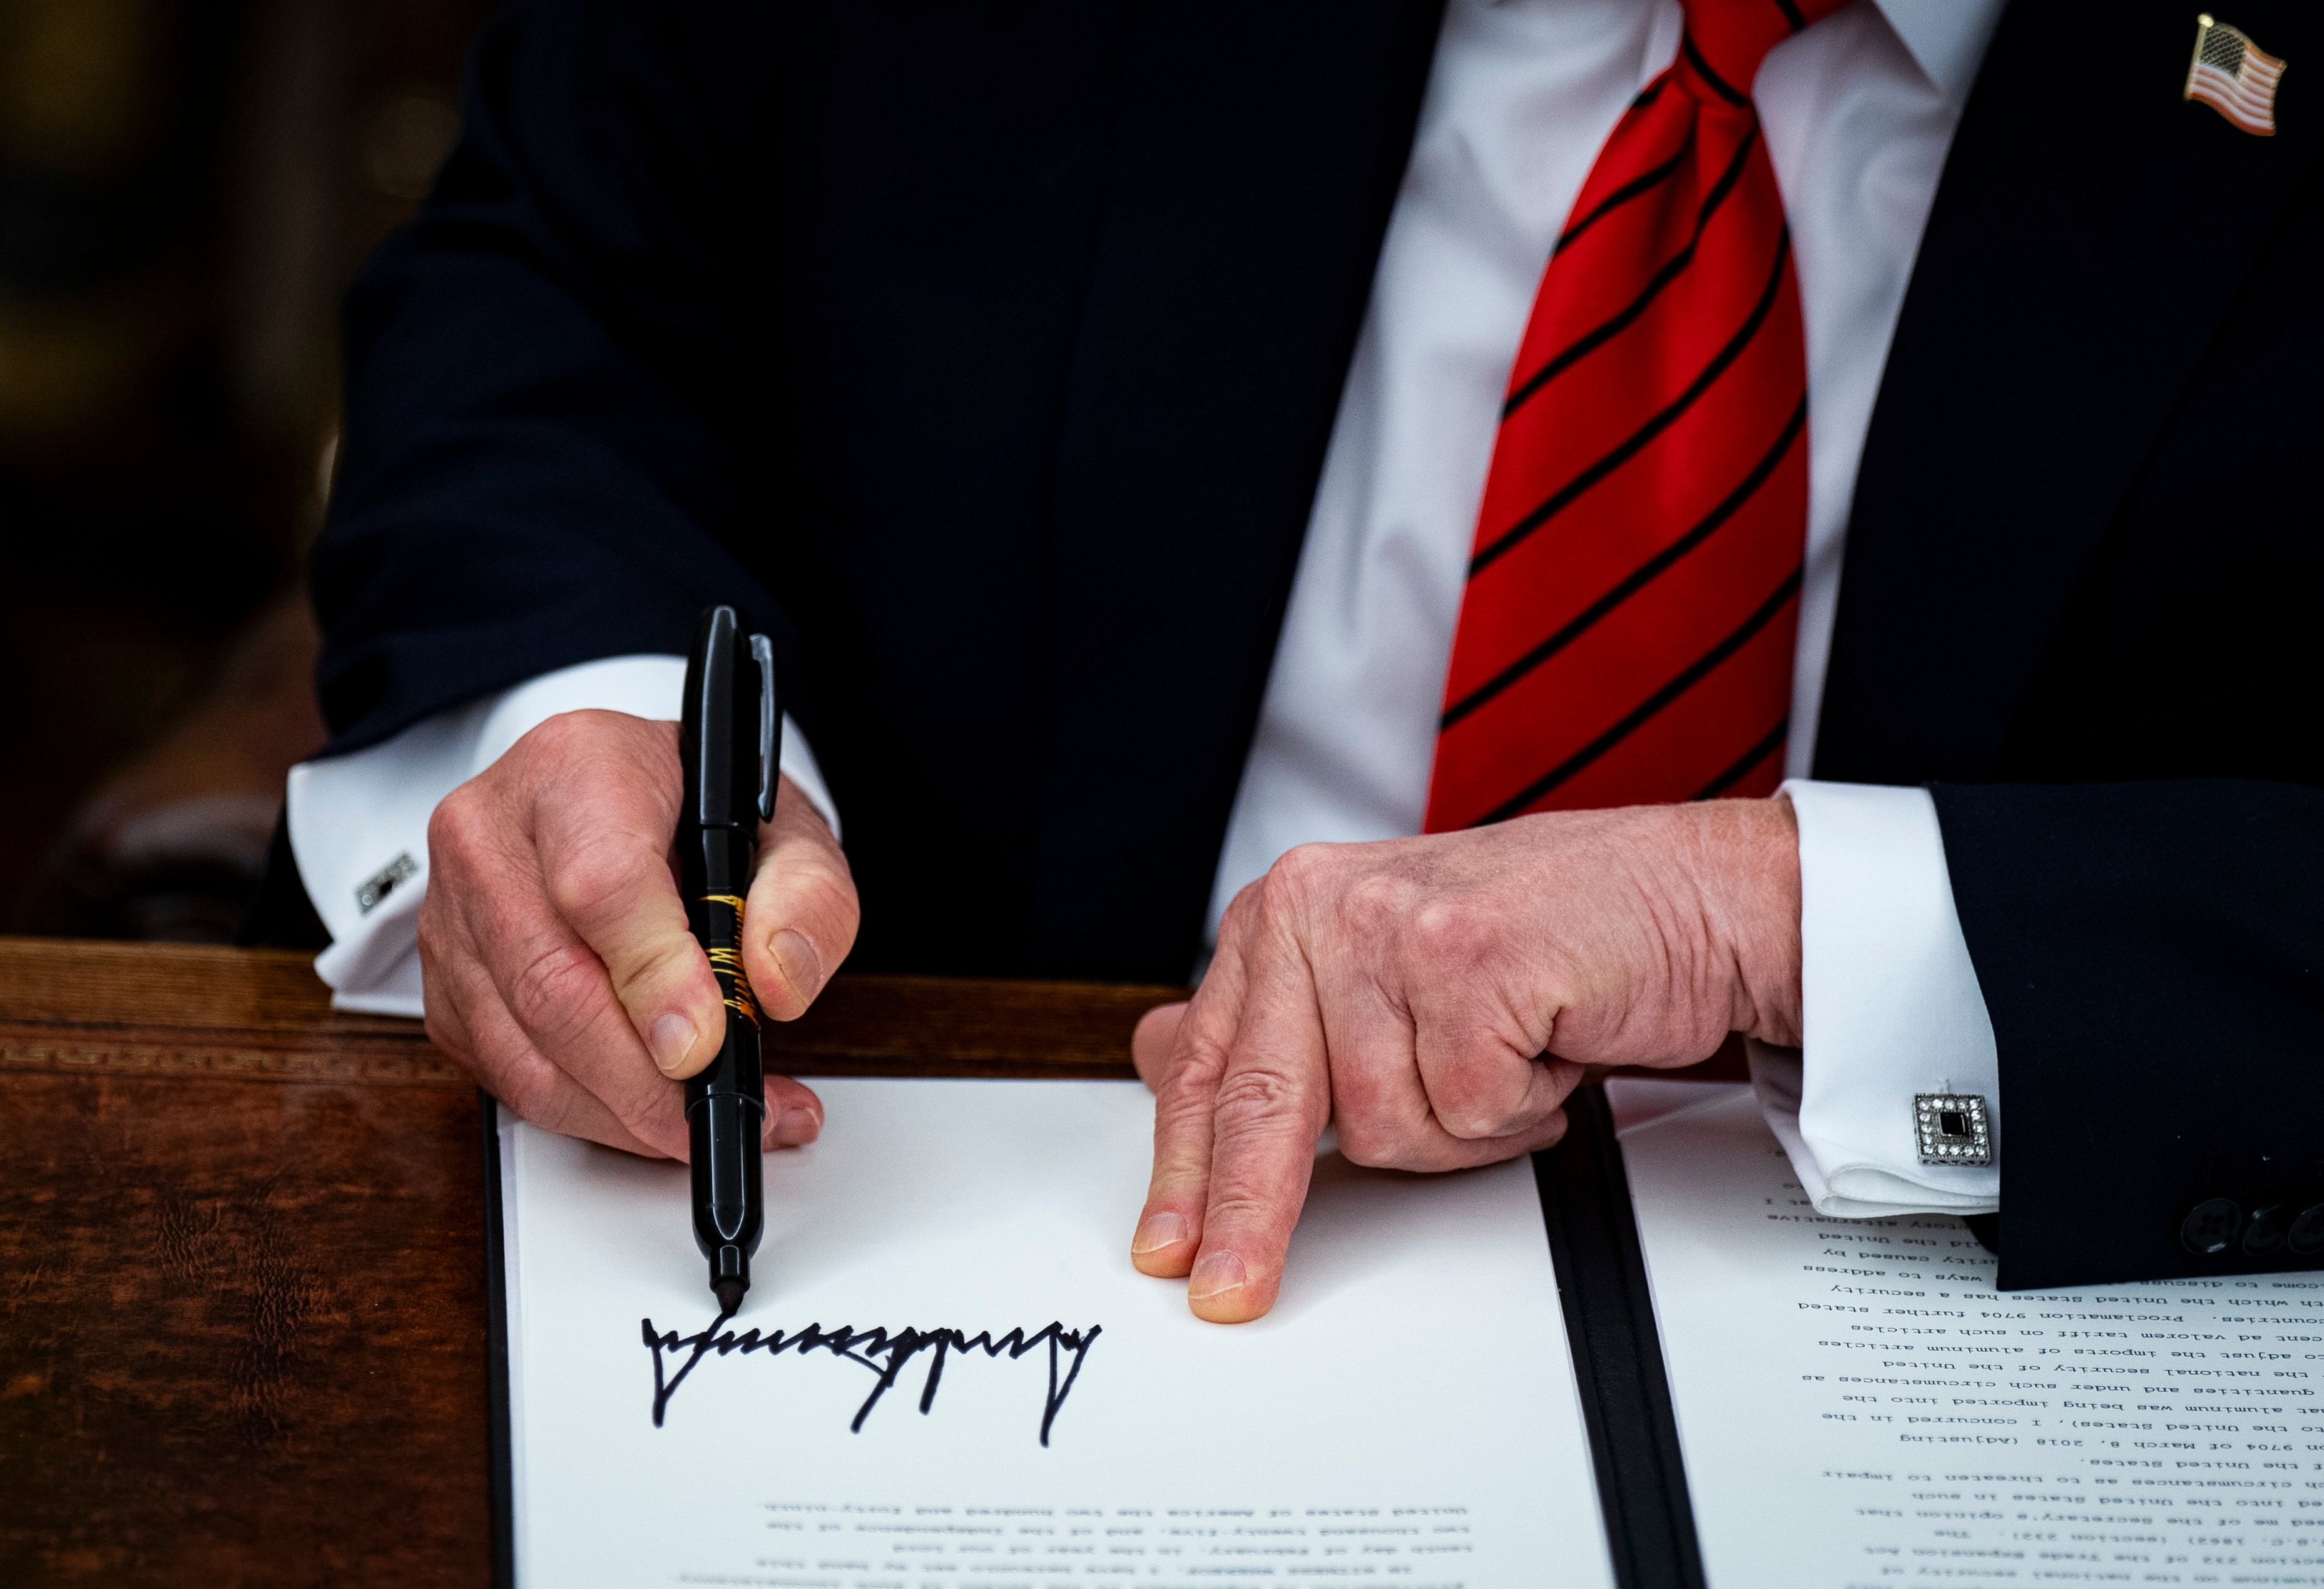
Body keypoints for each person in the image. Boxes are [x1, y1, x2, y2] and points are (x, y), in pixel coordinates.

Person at [263, 0, 2324, 1319]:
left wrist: (1779, 911)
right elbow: (557, 284)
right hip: (994, 1224)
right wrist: (594, 716)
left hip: (1987, 1340)